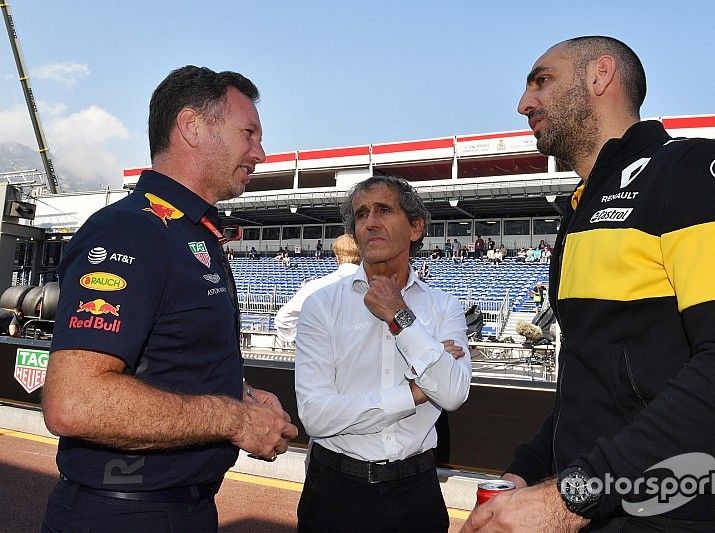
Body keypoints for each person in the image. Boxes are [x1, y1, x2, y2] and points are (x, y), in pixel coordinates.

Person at [463, 36, 715, 532]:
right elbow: (596, 381)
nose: (524, 103)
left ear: (600, 76)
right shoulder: (580, 207)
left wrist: (570, 497)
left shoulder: (695, 171)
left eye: (541, 81)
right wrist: (527, 470)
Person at [41, 65, 298, 532]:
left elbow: (163, 363)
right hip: (124, 513)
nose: (259, 153)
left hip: (178, 510)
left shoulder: (188, 233)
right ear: (192, 127)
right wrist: (234, 419)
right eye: (249, 133)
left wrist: (237, 395)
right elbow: (75, 401)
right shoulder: (131, 230)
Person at [294, 175, 472, 532]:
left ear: (416, 227)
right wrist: (416, 392)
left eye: (383, 210)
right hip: (334, 492)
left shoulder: (444, 306)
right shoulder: (321, 305)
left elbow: (453, 394)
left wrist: (399, 316)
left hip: (416, 494)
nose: (370, 222)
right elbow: (315, 416)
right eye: (361, 214)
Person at [275, 234, 360, 343]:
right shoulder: (381, 288)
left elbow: (283, 320)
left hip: (323, 354)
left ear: (337, 258)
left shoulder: (314, 287)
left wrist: (309, 341)